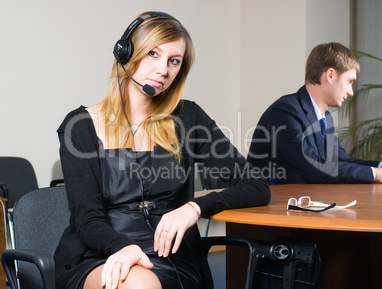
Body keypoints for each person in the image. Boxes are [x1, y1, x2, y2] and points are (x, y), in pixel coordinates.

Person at [55, 11, 270, 289]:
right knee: (138, 284)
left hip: (174, 260)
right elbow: (87, 217)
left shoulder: (188, 117)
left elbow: (257, 185)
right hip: (102, 254)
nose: (163, 70)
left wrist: (195, 207)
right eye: (154, 54)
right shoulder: (79, 126)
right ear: (127, 53)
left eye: (174, 61)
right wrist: (123, 247)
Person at [247, 42, 382, 185]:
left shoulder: (324, 118)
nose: (351, 92)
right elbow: (315, 169)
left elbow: (342, 161)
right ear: (330, 75)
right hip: (269, 208)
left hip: (301, 204)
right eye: (349, 82)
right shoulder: (285, 112)